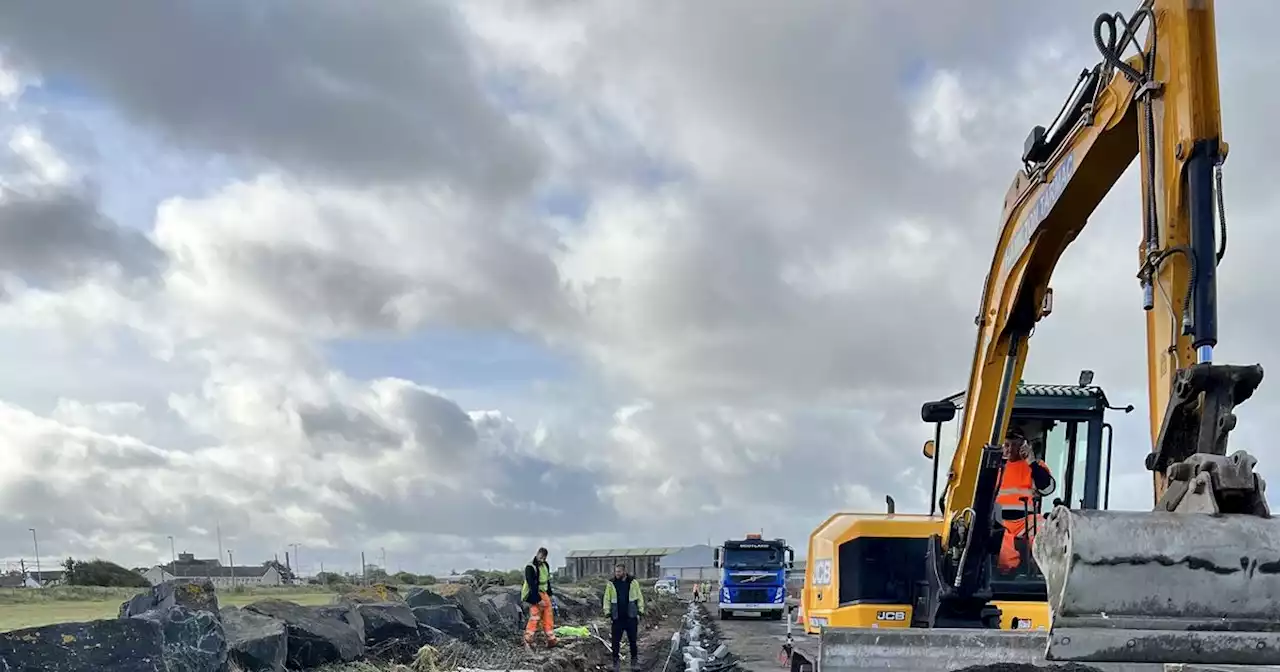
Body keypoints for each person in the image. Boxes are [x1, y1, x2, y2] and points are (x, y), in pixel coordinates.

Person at [996, 426, 1054, 574]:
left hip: (1027, 522)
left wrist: (1032, 462)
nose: (1009, 449)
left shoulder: (1036, 466)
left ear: (1023, 445)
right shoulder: (994, 467)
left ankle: (1043, 572)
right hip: (999, 522)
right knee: (1003, 550)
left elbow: (1047, 488)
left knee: (1046, 532)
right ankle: (1009, 577)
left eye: (1015, 445)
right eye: (1007, 445)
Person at [603, 562, 645, 672]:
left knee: (633, 641)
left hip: (631, 617)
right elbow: (606, 598)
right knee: (615, 641)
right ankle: (615, 663)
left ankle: (634, 662)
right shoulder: (611, 584)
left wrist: (640, 611)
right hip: (617, 617)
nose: (617, 573)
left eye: (619, 572)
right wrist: (607, 612)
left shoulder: (633, 582)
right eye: (616, 572)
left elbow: (639, 597)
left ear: (624, 572)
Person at [522, 547, 558, 649]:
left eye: (544, 558)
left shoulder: (545, 565)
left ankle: (551, 639)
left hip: (544, 593)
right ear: (538, 554)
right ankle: (528, 638)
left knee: (548, 616)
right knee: (535, 617)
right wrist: (538, 600)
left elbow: (547, 581)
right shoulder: (530, 567)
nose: (542, 560)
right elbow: (532, 585)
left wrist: (550, 595)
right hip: (535, 594)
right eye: (541, 557)